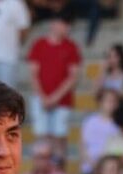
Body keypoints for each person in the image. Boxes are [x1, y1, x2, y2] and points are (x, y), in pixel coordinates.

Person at [27, 14, 82, 157]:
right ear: (54, 24)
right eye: (64, 23)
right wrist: (43, 97)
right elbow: (33, 74)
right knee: (42, 137)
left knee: (59, 137)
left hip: (62, 100)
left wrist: (54, 98)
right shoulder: (39, 44)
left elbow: (73, 77)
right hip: (41, 98)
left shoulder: (71, 47)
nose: (66, 27)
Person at [79, 87, 119, 174]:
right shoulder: (89, 122)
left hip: (109, 173)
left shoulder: (118, 125)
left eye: (114, 101)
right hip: (89, 170)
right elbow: (83, 147)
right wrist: (93, 165)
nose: (111, 104)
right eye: (108, 101)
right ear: (100, 102)